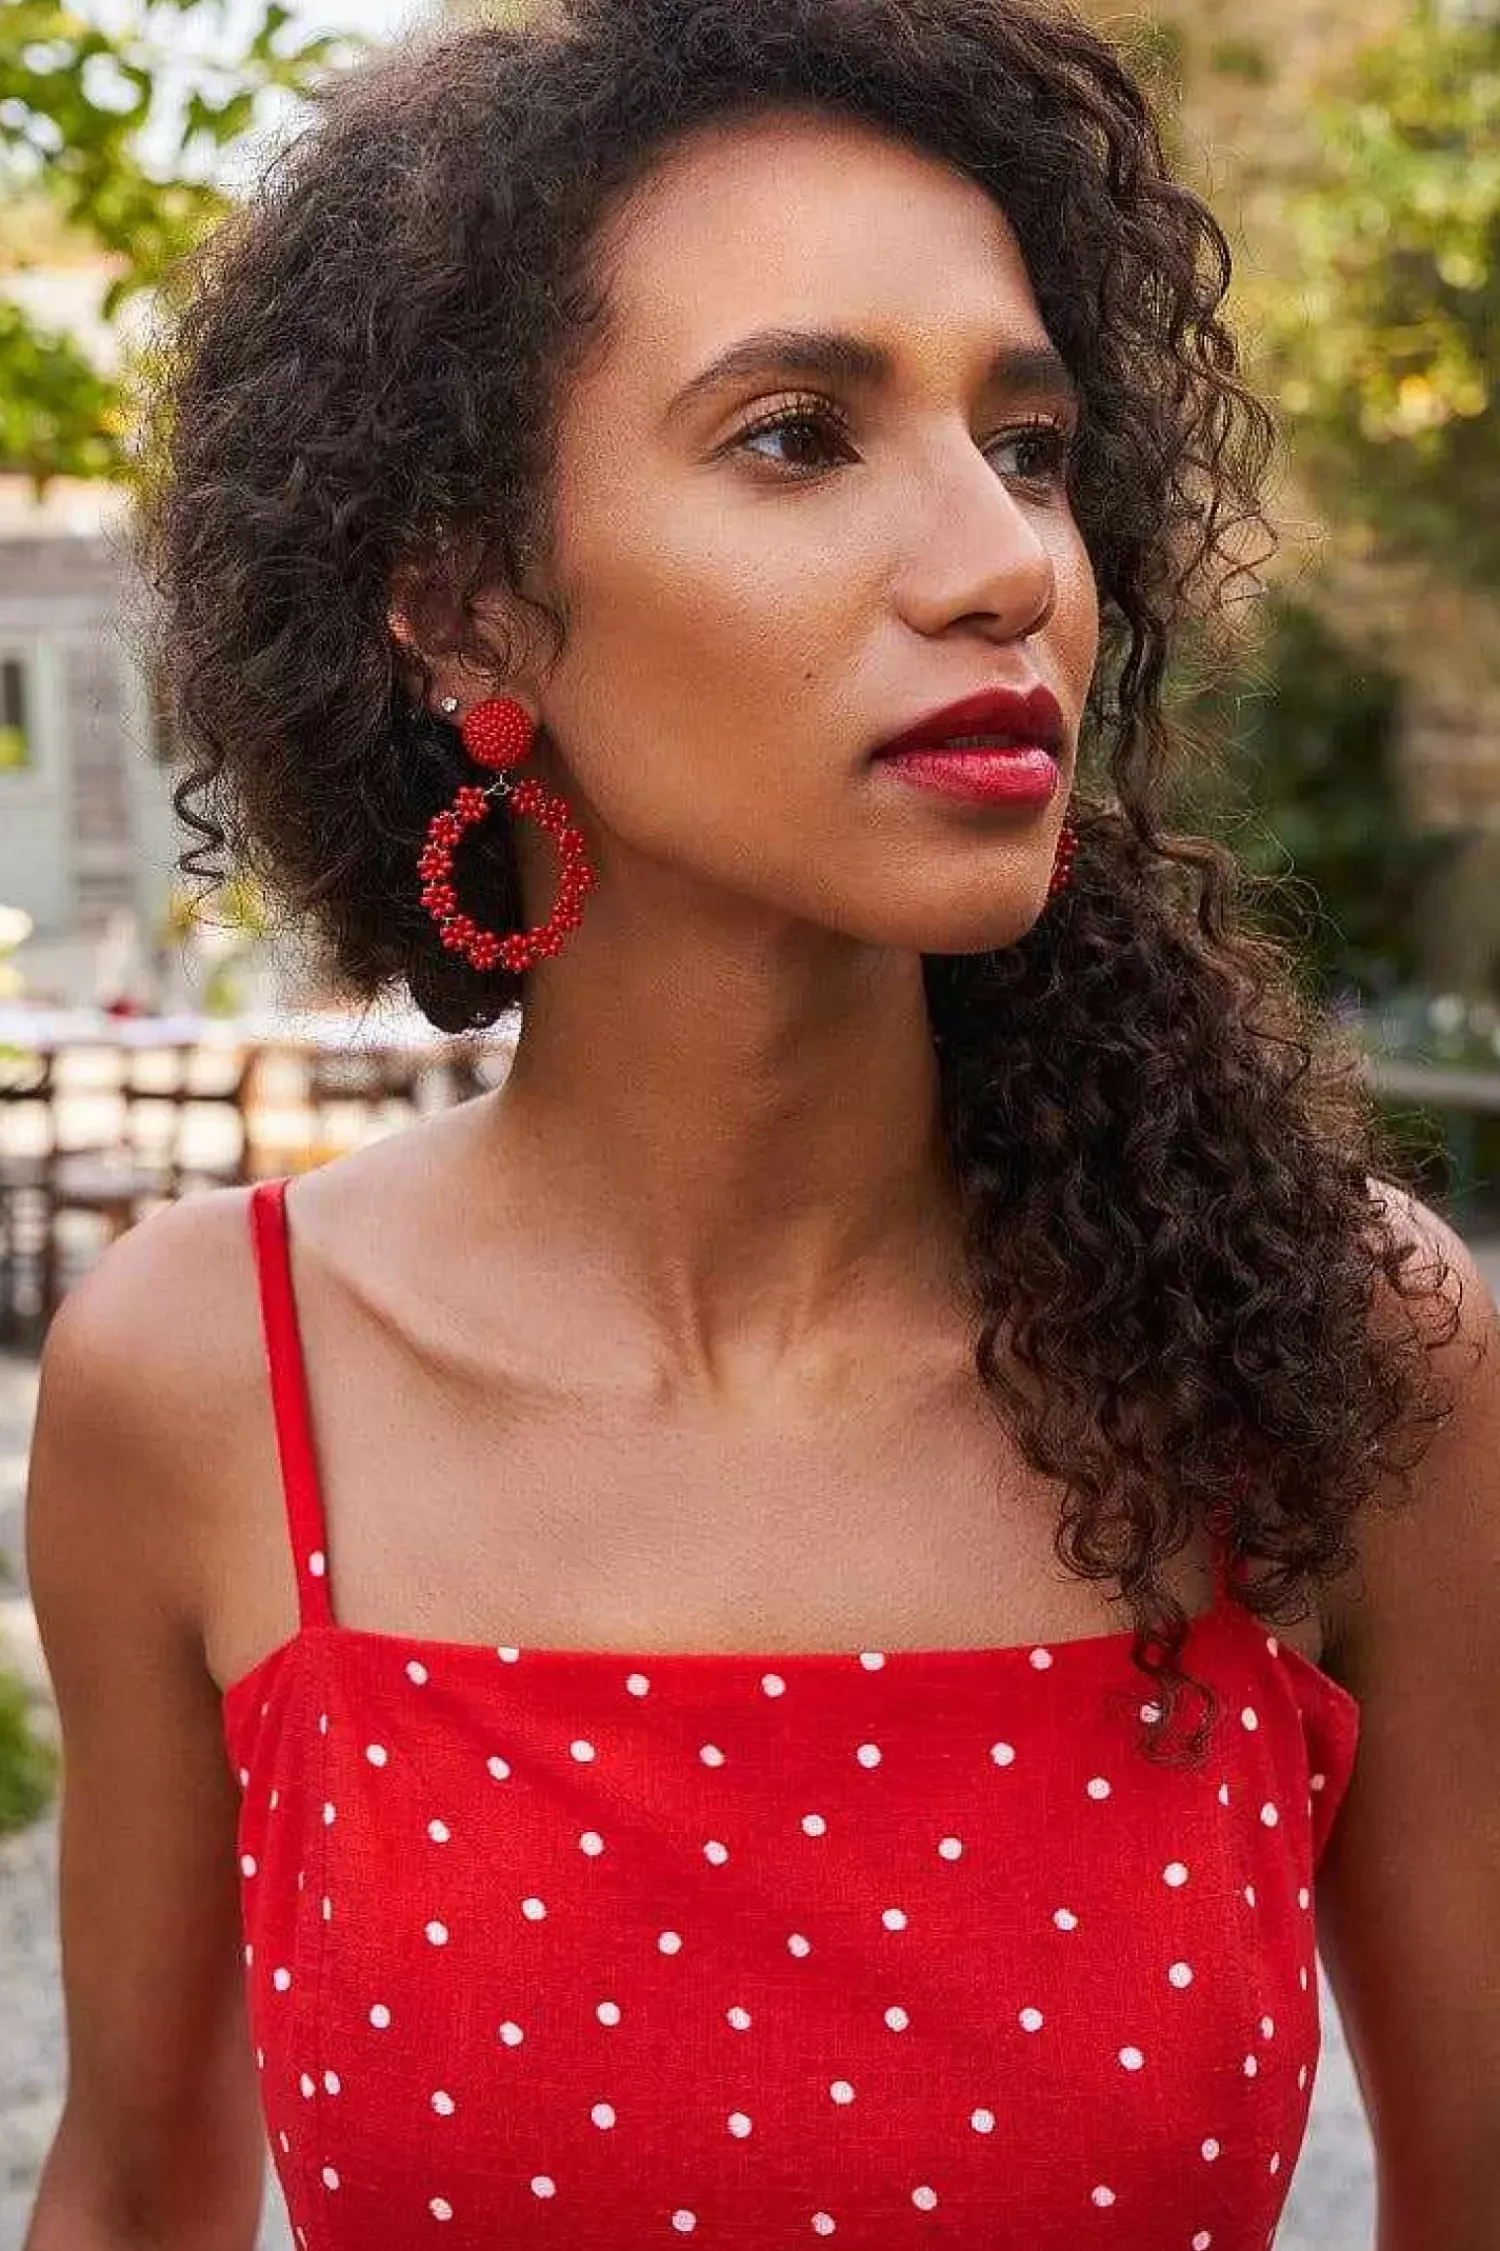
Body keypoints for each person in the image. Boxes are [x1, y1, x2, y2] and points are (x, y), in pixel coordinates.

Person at [21, 0, 1500, 2243]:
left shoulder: (1331, 1356)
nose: (1006, 562)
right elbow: (136, 2192)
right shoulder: (207, 1384)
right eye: (801, 435)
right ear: (459, 601)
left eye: (1030, 444)